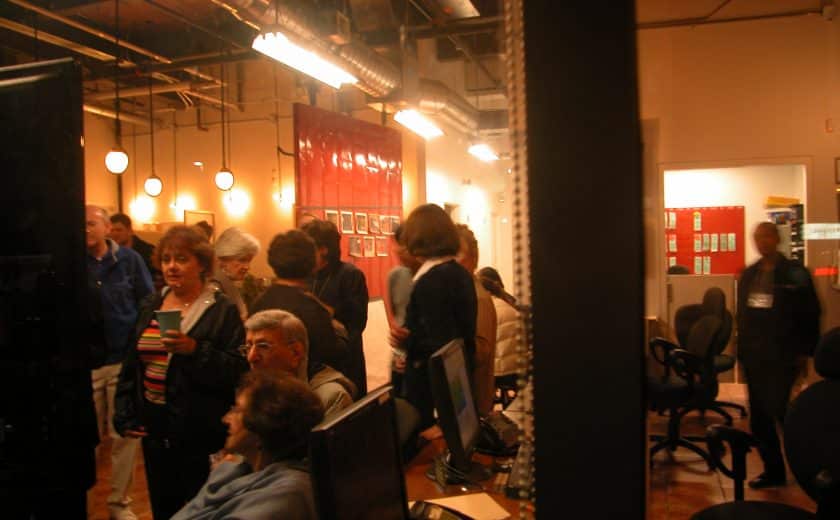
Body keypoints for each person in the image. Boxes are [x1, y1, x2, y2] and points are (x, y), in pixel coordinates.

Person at [114, 225, 248, 520]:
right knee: (164, 506)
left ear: (201, 264)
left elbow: (237, 369)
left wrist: (193, 349)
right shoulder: (153, 303)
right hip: (156, 425)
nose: (172, 266)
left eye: (182, 259)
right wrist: (125, 410)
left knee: (199, 509)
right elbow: (133, 362)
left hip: (198, 427)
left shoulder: (220, 310)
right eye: (166, 259)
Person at [171, 372, 323, 520]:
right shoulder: (236, 472)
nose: (226, 419)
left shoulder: (287, 495)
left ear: (262, 426)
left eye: (237, 410)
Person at [737, 221, 821, 489]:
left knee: (784, 413)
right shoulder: (749, 274)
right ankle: (773, 471)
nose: (762, 242)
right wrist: (740, 350)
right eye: (757, 237)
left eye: (766, 236)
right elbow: (743, 315)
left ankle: (811, 468)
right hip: (755, 355)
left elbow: (811, 314)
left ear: (776, 238)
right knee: (760, 417)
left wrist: (805, 352)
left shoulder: (795, 273)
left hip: (783, 354)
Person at [86, 205, 153, 520]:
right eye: (81, 225)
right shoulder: (74, 262)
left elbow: (147, 300)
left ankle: (118, 502)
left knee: (124, 434)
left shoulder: (129, 261)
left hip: (122, 359)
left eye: (91, 224)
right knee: (87, 437)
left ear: (106, 226)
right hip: (86, 362)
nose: (85, 230)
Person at [394, 204, 477, 428]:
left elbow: (441, 346)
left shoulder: (431, 280)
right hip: (457, 384)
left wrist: (408, 342)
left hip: (432, 393)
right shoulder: (460, 273)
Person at [250, 230, 348, 378]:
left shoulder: (258, 303)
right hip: (301, 390)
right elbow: (332, 356)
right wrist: (340, 331)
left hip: (263, 385)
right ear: (311, 263)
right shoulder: (313, 309)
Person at [243, 309, 356, 419]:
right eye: (248, 347)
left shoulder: (330, 398)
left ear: (295, 353)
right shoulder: (257, 392)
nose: (251, 357)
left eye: (263, 346)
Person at [302, 219, 369, 395]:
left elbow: (356, 324)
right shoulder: (305, 276)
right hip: (312, 363)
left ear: (324, 249)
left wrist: (314, 304)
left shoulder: (350, 275)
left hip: (344, 362)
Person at [455, 224, 498, 417]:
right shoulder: (464, 292)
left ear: (473, 259)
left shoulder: (477, 297)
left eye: (458, 256)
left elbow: (480, 351)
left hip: (474, 402)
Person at [478, 266, 522, 406]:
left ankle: (481, 413)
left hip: (499, 373)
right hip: (517, 369)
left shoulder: (488, 309)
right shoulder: (509, 304)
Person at [384, 224, 420, 390]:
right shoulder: (395, 276)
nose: (398, 250)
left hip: (419, 358)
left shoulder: (430, 278)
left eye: (403, 245)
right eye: (396, 244)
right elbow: (395, 315)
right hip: (399, 355)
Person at [214, 227, 260, 321]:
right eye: (242, 260)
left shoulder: (226, 283)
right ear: (222, 258)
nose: (247, 267)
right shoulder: (214, 288)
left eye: (249, 261)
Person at [109, 212, 156, 277]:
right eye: (112, 230)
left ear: (130, 231)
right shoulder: (109, 252)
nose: (114, 234)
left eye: (119, 230)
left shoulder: (148, 252)